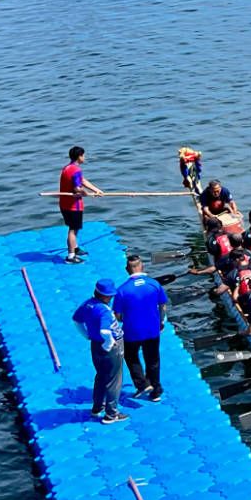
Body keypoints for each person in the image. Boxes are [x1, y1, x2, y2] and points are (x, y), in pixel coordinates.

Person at [113, 255, 169, 402]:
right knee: (153, 359)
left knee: (130, 356)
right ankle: (155, 390)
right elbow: (163, 306)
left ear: (127, 269)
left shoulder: (122, 290)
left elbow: (117, 315)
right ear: (142, 265)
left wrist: (127, 318)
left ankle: (142, 384)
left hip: (132, 330)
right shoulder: (154, 285)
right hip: (152, 328)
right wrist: (161, 321)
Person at [72, 278, 127, 424]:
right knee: (114, 380)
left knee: (101, 376)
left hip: (95, 345)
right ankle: (111, 414)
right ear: (105, 295)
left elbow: (76, 320)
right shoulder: (104, 311)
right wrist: (109, 343)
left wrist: (87, 335)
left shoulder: (88, 304)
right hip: (110, 348)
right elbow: (104, 330)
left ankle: (97, 408)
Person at [57, 145, 104, 264]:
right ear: (79, 156)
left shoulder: (67, 168)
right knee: (73, 229)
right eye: (83, 155)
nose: (85, 157)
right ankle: (71, 256)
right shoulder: (76, 170)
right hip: (73, 206)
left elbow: (82, 181)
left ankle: (75, 248)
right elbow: (77, 188)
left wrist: (96, 190)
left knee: (74, 227)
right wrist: (86, 194)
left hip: (64, 203)